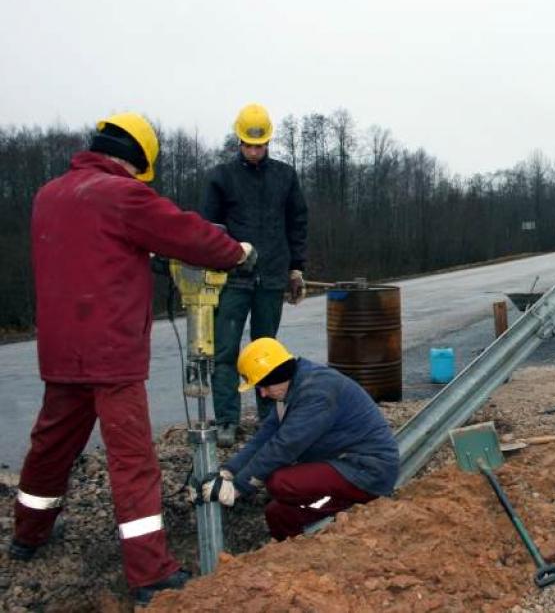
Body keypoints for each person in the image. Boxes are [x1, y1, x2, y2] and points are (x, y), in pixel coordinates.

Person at [11, 113, 254, 606]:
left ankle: (27, 535)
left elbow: (90, 253)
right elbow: (189, 235)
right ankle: (149, 575)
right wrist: (236, 252)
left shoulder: (49, 195)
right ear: (138, 159)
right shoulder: (122, 195)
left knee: (50, 446)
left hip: (61, 351)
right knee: (133, 462)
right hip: (111, 354)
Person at [201, 338, 398, 540]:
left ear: (277, 374)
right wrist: (229, 471)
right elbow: (264, 437)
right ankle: (295, 556)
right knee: (277, 514)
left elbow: (285, 446)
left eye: (264, 386)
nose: (263, 393)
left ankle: (348, 507)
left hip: (367, 469)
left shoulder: (316, 393)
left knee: (280, 482)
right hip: (342, 465)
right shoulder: (291, 388)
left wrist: (239, 487)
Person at [202, 103, 309, 448]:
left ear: (268, 142)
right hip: (233, 279)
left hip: (272, 277)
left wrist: (296, 268)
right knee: (225, 350)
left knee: (267, 350)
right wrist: (219, 262)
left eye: (259, 145)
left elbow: (297, 223)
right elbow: (209, 228)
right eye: (248, 144)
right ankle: (226, 421)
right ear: (239, 141)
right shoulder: (222, 177)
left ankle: (268, 417)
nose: (254, 150)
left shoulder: (285, 176)